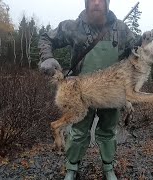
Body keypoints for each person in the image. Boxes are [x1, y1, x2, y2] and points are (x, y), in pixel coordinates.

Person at [38, 0, 136, 179]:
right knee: (78, 132)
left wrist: (145, 44)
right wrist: (47, 58)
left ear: (107, 3)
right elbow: (46, 38)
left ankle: (108, 168)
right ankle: (72, 168)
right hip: (80, 91)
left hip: (111, 92)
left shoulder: (121, 29)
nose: (96, 3)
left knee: (108, 131)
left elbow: (136, 51)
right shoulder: (73, 27)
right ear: (86, 3)